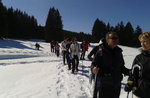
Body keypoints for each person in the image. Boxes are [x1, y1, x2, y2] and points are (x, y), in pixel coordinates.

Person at [92, 32, 130, 98]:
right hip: (104, 84)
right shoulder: (101, 51)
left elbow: (121, 67)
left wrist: (130, 72)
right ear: (107, 40)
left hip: (116, 83)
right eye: (113, 38)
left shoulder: (119, 52)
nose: (116, 40)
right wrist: (93, 69)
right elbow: (94, 64)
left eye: (117, 38)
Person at [125, 32, 150, 98]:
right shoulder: (138, 58)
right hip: (140, 92)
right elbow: (133, 74)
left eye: (145, 41)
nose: (142, 44)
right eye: (141, 42)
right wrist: (129, 84)